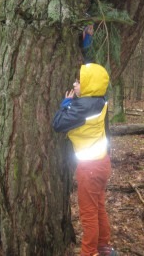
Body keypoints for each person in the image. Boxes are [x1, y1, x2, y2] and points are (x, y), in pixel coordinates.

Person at [52, 63, 117, 256]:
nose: (74, 84)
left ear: (89, 84)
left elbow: (57, 124)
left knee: (88, 215)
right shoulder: (99, 100)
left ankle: (89, 253)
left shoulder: (82, 107)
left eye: (79, 82)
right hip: (102, 163)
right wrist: (86, 40)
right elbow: (93, 77)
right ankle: (103, 247)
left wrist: (65, 104)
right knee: (98, 208)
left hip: (89, 169)